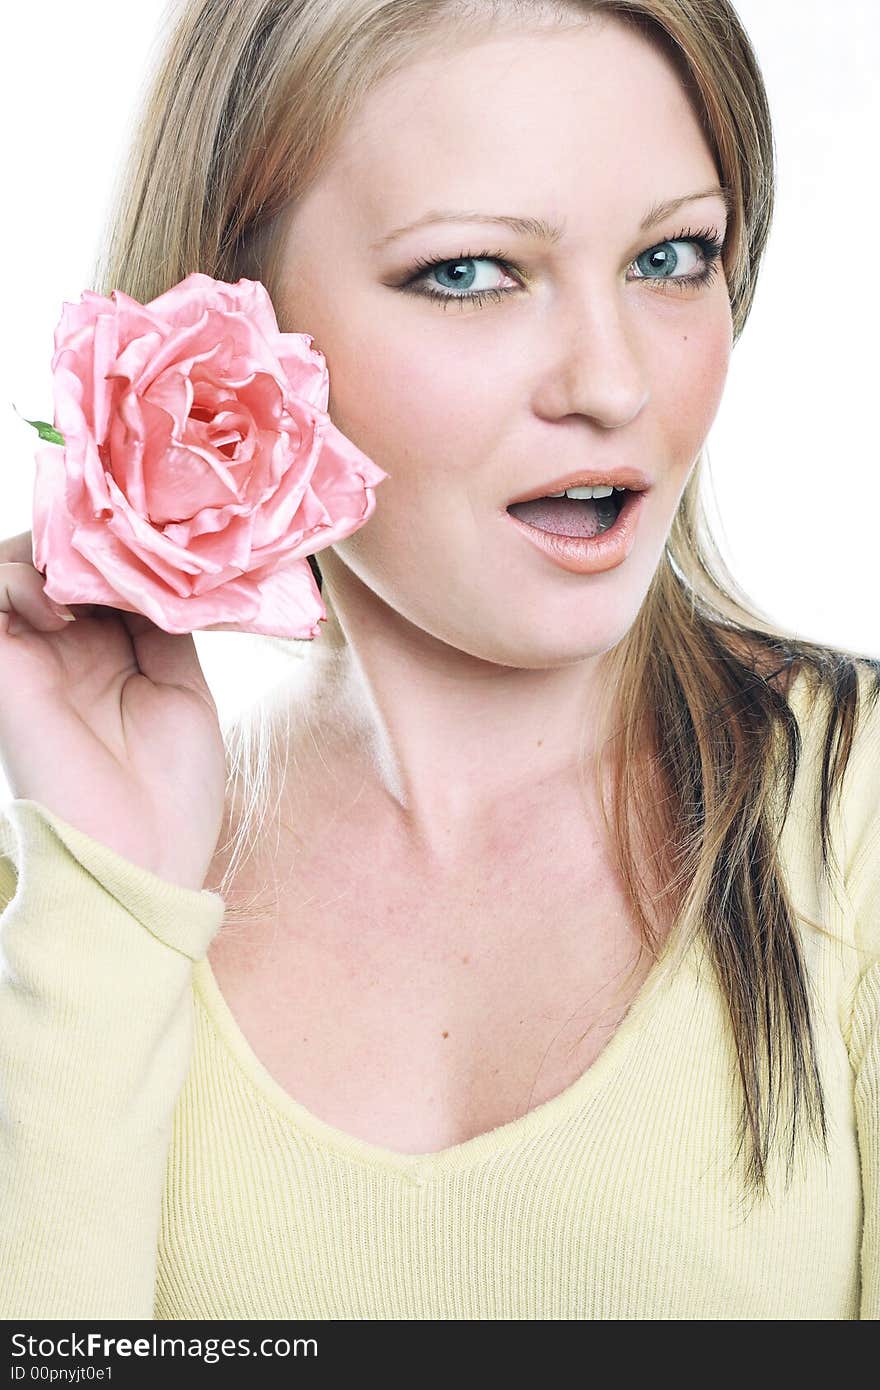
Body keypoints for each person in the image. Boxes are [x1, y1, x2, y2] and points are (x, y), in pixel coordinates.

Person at [0, 0, 878, 1322]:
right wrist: (109, 892)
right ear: (235, 326)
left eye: (672, 257)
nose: (614, 384)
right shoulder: (85, 903)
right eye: (470, 272)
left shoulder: (852, 812)